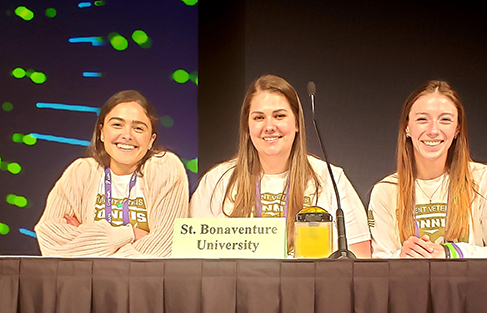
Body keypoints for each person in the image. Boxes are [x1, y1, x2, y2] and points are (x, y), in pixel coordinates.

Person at [190, 74, 371, 257]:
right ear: (247, 126)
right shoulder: (216, 182)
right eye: (259, 118)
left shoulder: (331, 178)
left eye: (279, 116)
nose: (269, 126)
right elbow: (192, 257)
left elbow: (359, 259)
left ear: (297, 123)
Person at [367, 80, 487, 258]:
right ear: (407, 127)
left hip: (470, 286)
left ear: (457, 129)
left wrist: (451, 252)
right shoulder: (385, 191)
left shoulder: (484, 179)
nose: (433, 130)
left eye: (445, 120)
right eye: (422, 119)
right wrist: (402, 257)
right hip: (411, 286)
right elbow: (379, 268)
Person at [35, 90, 189, 257]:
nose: (127, 135)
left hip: (145, 281)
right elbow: (50, 243)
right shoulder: (81, 171)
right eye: (117, 125)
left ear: (151, 140)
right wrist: (128, 235)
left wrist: (85, 236)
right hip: (86, 282)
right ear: (101, 132)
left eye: (138, 128)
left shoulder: (164, 167)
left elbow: (164, 247)